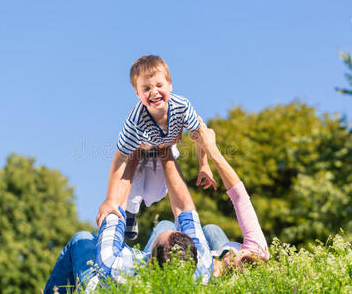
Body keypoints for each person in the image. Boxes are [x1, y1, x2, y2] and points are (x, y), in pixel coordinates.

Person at [43, 148, 213, 293]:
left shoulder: (114, 266)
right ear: (193, 256)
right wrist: (165, 149)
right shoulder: (202, 265)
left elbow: (115, 209)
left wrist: (135, 151)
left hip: (105, 288)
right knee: (165, 225)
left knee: (81, 239)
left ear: (151, 263)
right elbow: (184, 210)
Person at [96, 55, 217, 240]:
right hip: (140, 150)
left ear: (170, 85)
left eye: (159, 85)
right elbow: (119, 157)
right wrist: (111, 199)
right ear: (137, 94)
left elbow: (199, 133)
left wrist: (204, 165)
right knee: (133, 183)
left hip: (164, 148)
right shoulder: (136, 121)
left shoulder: (182, 106)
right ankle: (130, 213)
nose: (154, 92)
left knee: (154, 195)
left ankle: (139, 203)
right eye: (146, 88)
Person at [189, 117, 270, 276]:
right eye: (241, 251)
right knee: (212, 229)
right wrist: (208, 154)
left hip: (213, 266)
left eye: (233, 257)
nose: (233, 250)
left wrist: (208, 147)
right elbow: (240, 196)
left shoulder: (213, 275)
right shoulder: (258, 250)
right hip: (224, 257)